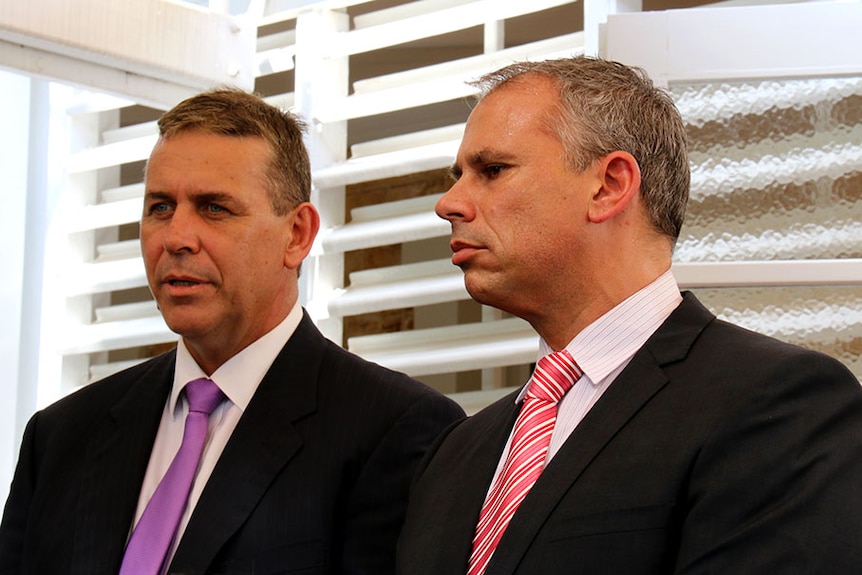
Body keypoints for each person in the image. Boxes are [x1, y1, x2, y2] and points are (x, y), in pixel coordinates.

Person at [396, 57, 862, 574]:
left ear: (610, 185)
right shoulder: (455, 453)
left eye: (492, 171)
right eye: (459, 175)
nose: (449, 203)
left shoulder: (779, 404)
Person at [0, 88, 464, 574]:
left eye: (214, 208)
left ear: (297, 235)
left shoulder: (397, 431)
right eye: (160, 207)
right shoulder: (59, 438)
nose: (176, 237)